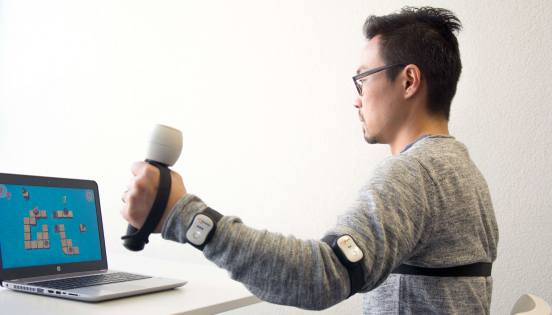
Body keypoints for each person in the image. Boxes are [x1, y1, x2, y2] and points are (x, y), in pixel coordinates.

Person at [120, 6, 498, 314]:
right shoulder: (464, 172)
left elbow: (324, 276)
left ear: (409, 81)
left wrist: (185, 216)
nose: (357, 97)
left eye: (363, 78)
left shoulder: (415, 172)